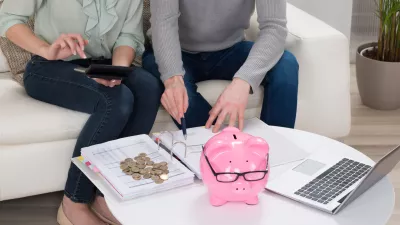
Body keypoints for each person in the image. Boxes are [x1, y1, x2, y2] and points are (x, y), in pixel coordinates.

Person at [0, 0, 162, 224]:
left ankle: (107, 194)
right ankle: (73, 201)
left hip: (101, 64)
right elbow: (8, 18)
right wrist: (46, 50)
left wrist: (118, 72)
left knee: (149, 87)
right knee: (116, 99)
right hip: (48, 67)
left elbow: (128, 37)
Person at [143, 0, 299, 133]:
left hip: (231, 49)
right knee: (181, 98)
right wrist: (172, 78)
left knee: (286, 65)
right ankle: (224, 149)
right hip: (177, 51)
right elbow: (163, 22)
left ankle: (276, 153)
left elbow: (274, 28)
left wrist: (243, 82)